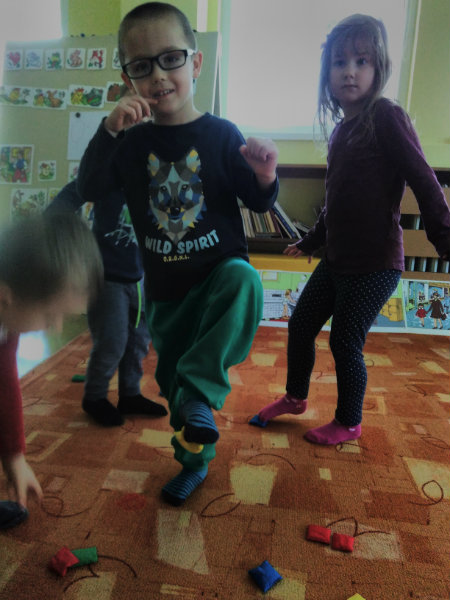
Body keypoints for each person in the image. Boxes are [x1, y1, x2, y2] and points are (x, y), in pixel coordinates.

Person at [77, 2, 279, 505]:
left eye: (171, 58)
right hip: (166, 295)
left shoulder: (222, 135)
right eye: (141, 66)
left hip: (217, 280)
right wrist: (108, 131)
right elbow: (90, 186)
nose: (159, 75)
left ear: (196, 63)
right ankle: (194, 461)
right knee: (180, 396)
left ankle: (198, 409)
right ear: (127, 78)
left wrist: (265, 175)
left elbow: (257, 201)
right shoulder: (129, 144)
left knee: (244, 280)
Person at [254, 14, 450, 445]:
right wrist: (312, 240)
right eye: (339, 62)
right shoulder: (342, 130)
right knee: (300, 325)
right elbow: (336, 199)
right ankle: (295, 397)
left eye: (362, 61)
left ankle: (349, 421)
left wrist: (444, 237)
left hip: (375, 264)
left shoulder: (386, 116)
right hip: (337, 260)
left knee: (344, 341)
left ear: (379, 68)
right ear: (327, 74)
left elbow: (424, 180)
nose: (349, 71)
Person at [0, 213, 103, 529]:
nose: (57, 327)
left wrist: (14, 457)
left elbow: (6, 386)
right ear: (5, 297)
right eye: (50, 315)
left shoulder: (7, 322)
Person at [47, 179, 167, 427]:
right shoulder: (104, 177)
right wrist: (56, 229)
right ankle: (95, 397)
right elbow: (71, 195)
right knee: (112, 342)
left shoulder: (155, 178)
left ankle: (130, 395)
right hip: (107, 278)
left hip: (141, 277)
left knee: (138, 341)